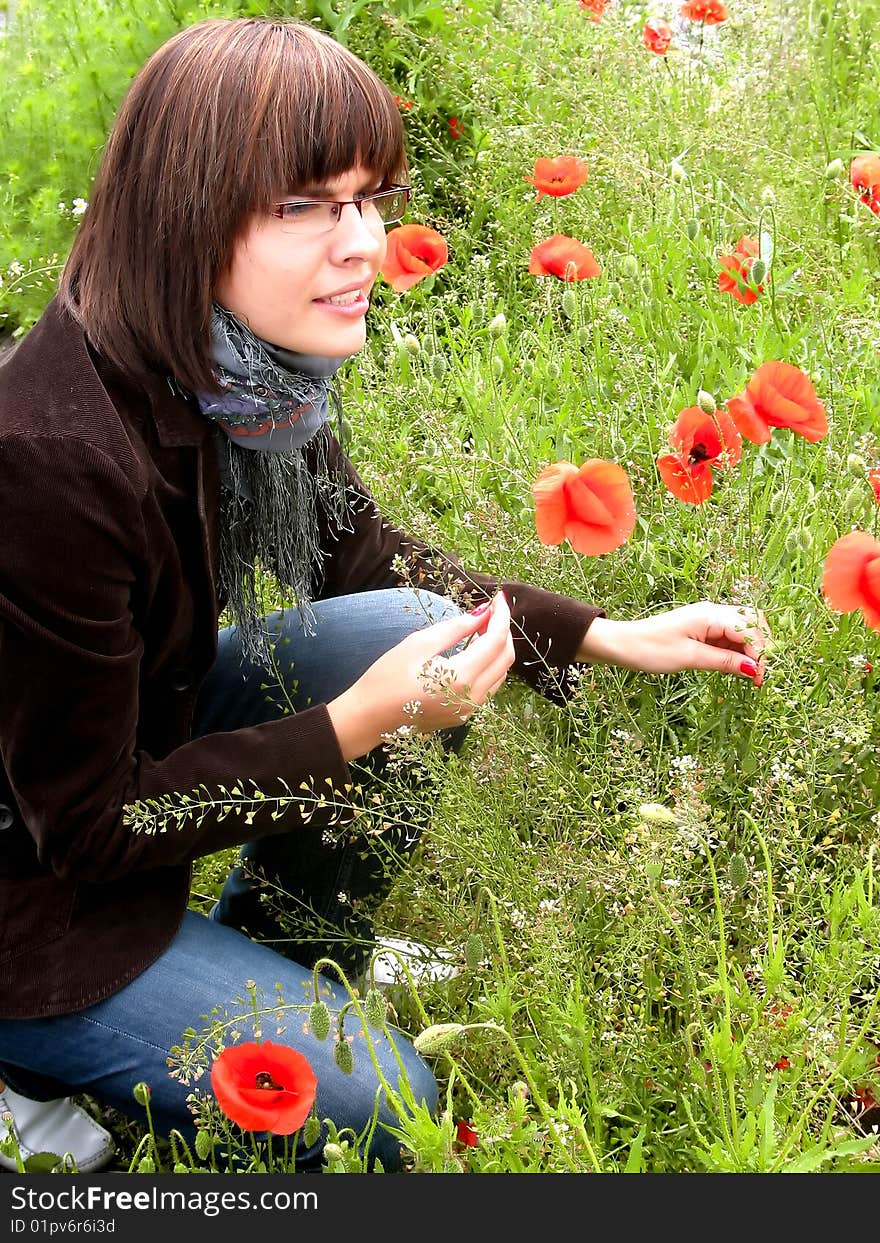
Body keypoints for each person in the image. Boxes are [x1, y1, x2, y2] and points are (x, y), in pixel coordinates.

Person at [0, 16, 769, 1173]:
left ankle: (287, 948)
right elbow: (94, 826)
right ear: (185, 214)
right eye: (307, 204)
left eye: (368, 197)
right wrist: (363, 721)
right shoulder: (48, 460)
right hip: (32, 896)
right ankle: (27, 1068)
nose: (362, 240)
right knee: (382, 1103)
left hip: (115, 750)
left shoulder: (233, 373)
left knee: (427, 630)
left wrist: (606, 634)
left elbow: (358, 555)